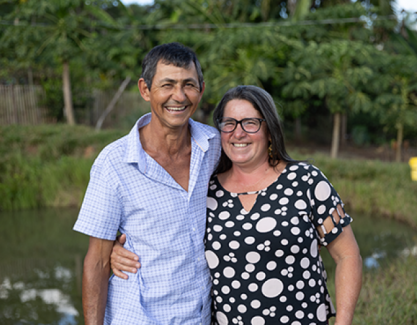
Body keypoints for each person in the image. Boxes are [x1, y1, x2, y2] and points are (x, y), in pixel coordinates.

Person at [111, 85, 363, 324]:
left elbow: (348, 255)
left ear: (269, 130)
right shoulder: (205, 189)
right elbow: (168, 238)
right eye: (229, 123)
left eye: (250, 123)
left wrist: (342, 322)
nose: (238, 133)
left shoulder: (306, 181)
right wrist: (118, 249)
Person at [73, 42, 221, 325]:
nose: (179, 96)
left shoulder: (215, 147)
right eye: (167, 85)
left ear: (201, 89)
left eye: (188, 85)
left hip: (201, 317)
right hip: (138, 317)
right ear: (145, 89)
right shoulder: (113, 163)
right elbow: (97, 261)